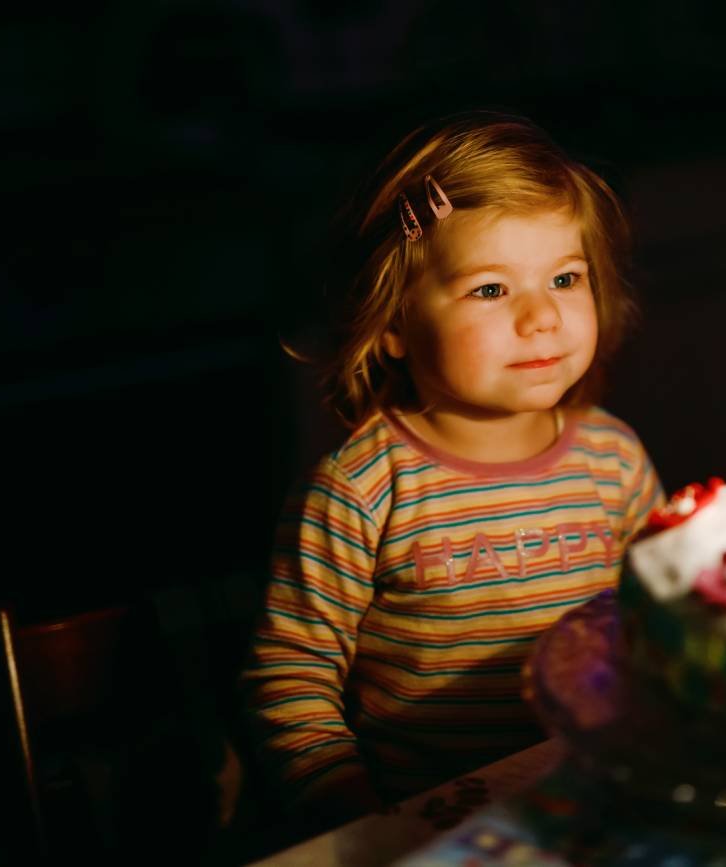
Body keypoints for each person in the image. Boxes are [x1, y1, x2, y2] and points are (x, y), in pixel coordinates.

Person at [240, 111, 663, 826]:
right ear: (396, 322)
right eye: (491, 289)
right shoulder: (364, 488)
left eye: (565, 277)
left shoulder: (613, 459)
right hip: (431, 827)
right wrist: (358, 818)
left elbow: (666, 626)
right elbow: (290, 679)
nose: (542, 319)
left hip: (602, 803)